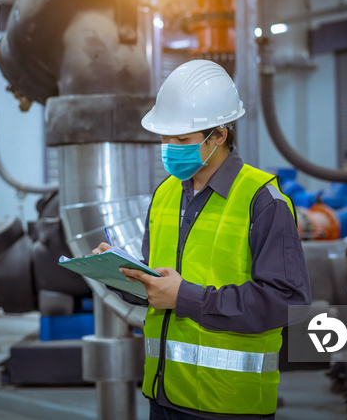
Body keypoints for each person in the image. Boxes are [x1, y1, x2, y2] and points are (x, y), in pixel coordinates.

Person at [93, 59, 311, 419]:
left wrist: (186, 297)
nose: (169, 147)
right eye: (165, 137)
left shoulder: (262, 201)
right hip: (163, 396)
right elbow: (160, 287)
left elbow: (289, 301)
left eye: (182, 139)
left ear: (219, 135)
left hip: (226, 405)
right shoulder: (164, 194)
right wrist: (121, 274)